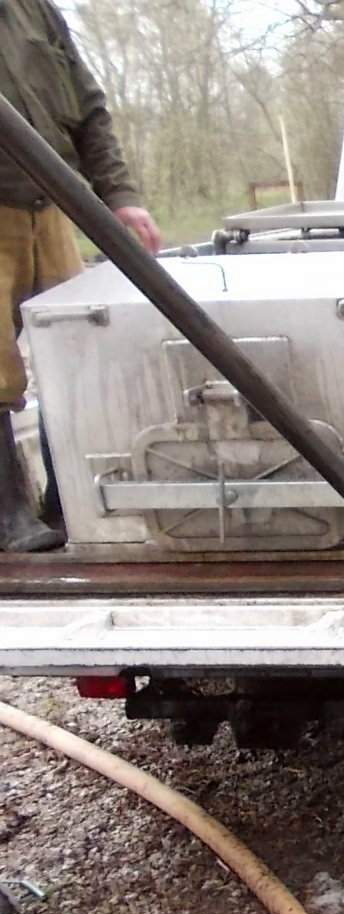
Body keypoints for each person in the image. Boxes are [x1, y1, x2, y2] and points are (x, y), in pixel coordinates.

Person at [0, 0, 162, 554]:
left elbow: (88, 106)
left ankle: (66, 497)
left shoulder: (34, 10)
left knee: (76, 351)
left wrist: (118, 194)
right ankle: (8, 514)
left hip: (52, 202)